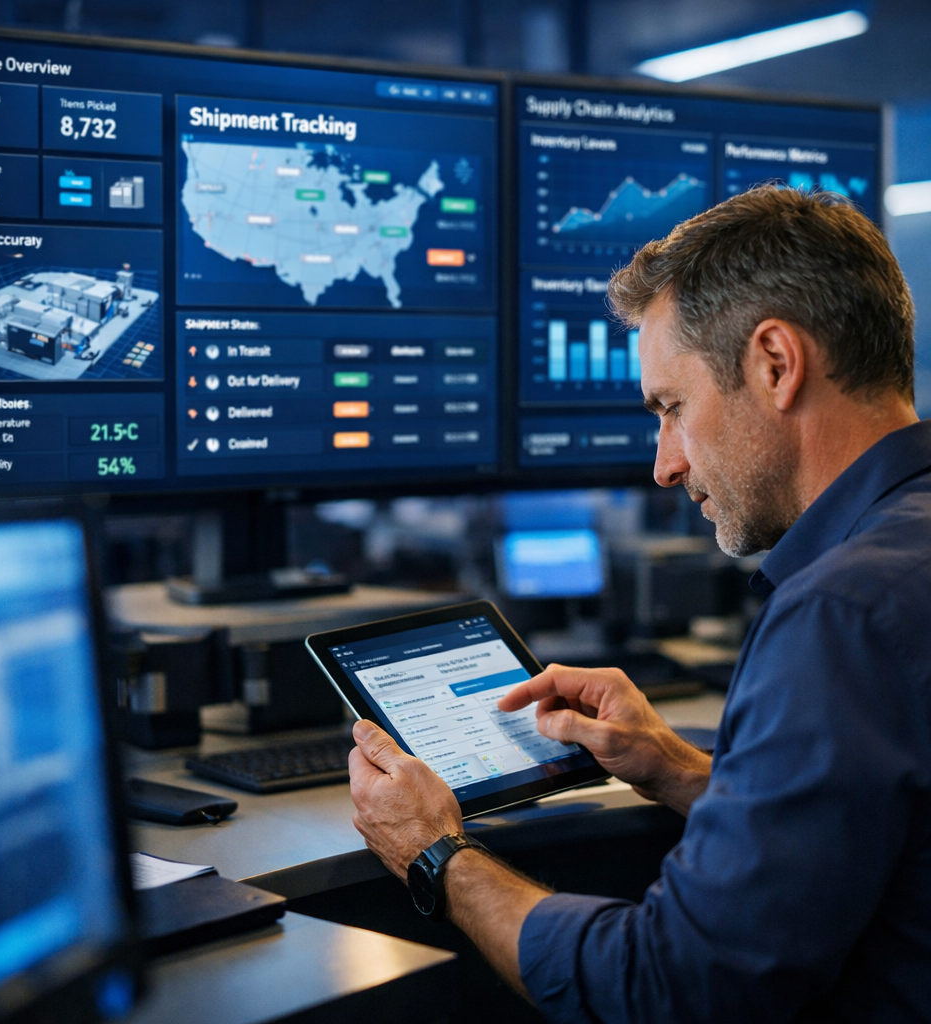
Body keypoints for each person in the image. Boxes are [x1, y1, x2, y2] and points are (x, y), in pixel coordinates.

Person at [348, 185, 931, 1022]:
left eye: (672, 408)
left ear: (775, 363)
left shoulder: (840, 612)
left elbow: (673, 990)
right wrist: (680, 769)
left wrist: (436, 853)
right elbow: (879, 830)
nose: (665, 464)